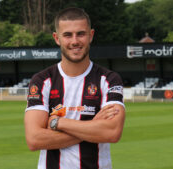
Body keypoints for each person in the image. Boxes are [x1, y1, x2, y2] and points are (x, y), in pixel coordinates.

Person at [24, 7, 125, 169]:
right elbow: (34, 139)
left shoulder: (109, 79)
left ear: (91, 35)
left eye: (81, 34)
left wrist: (58, 122)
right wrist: (93, 126)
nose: (75, 41)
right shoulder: (42, 80)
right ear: (57, 38)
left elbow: (112, 132)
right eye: (67, 35)